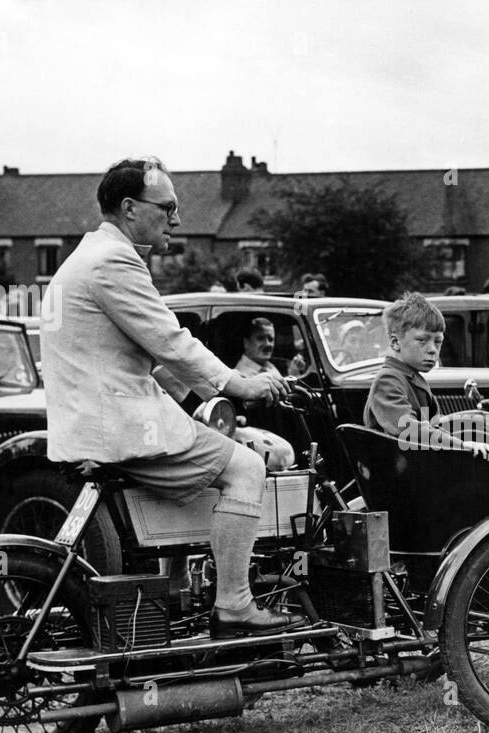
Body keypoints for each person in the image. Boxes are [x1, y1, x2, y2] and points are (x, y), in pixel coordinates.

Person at [39, 157, 305, 638]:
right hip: (116, 427)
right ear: (129, 209)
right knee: (247, 468)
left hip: (96, 422)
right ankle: (234, 606)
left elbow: (150, 357)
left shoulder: (88, 258)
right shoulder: (114, 262)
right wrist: (240, 385)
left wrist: (202, 403)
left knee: (209, 460)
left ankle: (179, 591)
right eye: (167, 208)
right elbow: (172, 342)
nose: (177, 220)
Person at [364, 292, 489, 457]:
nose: (433, 349)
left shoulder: (411, 377)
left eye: (438, 342)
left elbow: (432, 425)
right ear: (395, 342)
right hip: (397, 472)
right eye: (422, 340)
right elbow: (409, 429)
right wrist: (461, 445)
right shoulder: (388, 380)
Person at [233, 316, 295, 470]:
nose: (268, 344)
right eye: (261, 338)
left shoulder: (273, 369)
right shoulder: (238, 379)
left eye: (270, 339)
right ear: (246, 343)